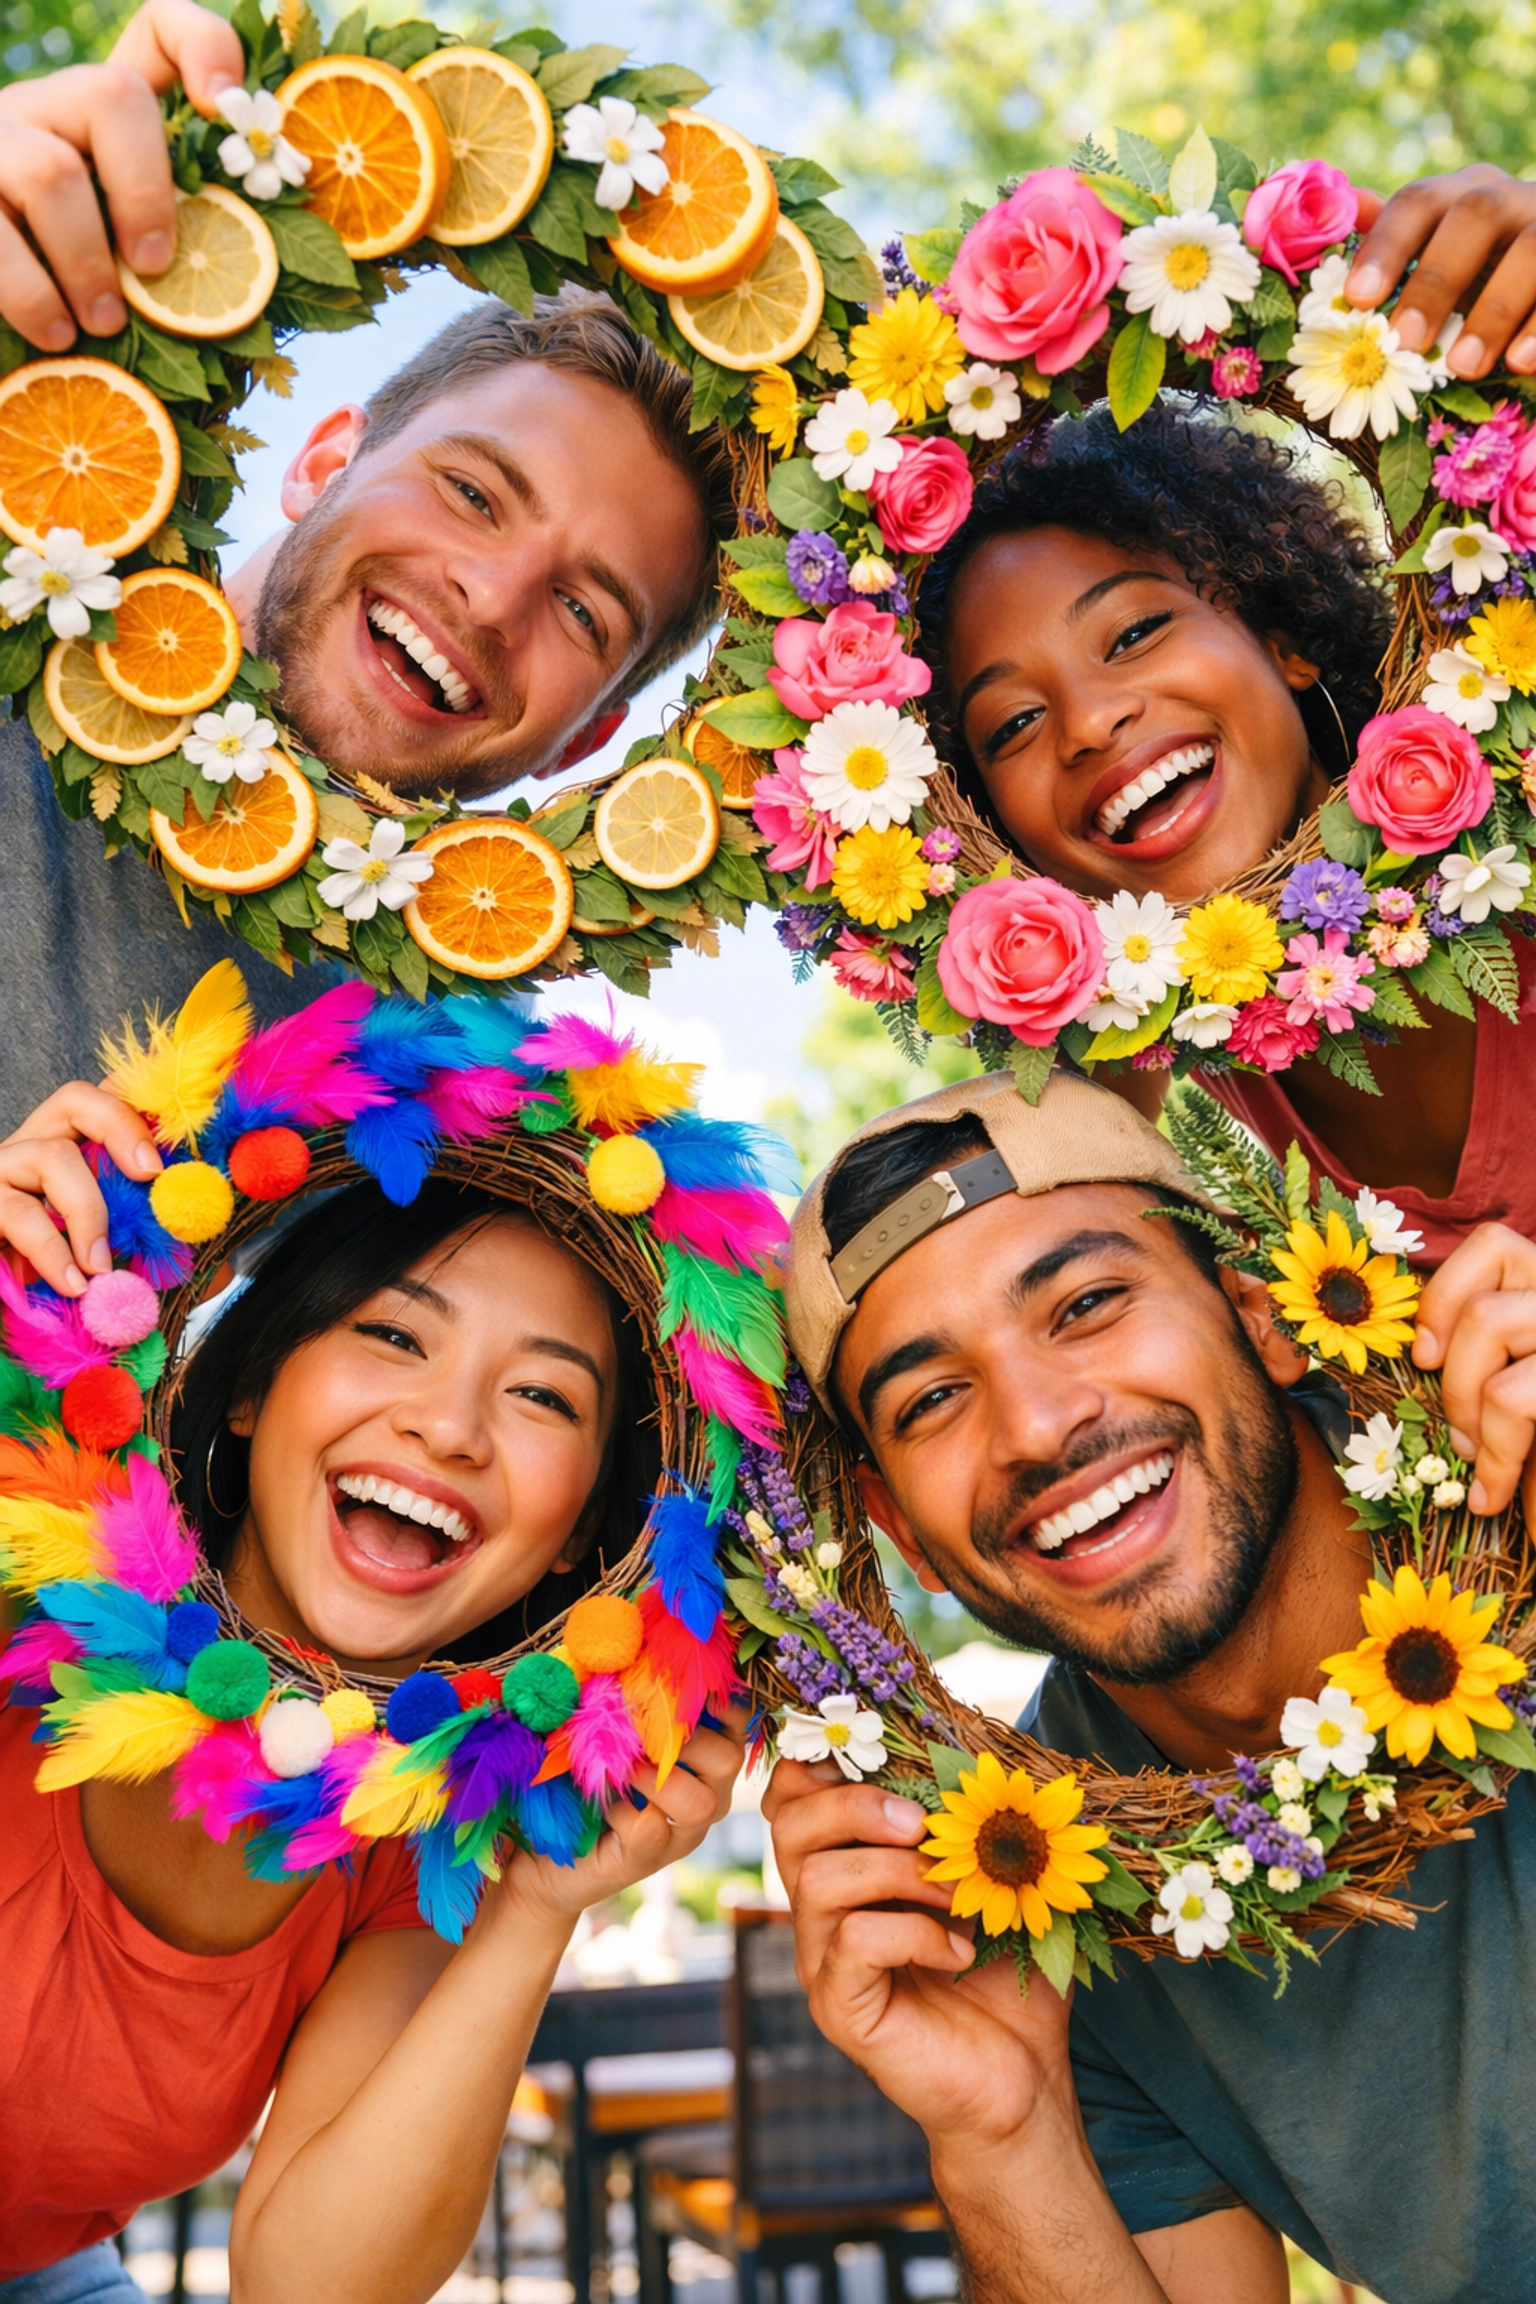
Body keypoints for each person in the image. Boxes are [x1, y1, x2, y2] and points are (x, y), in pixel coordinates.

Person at [0, 1025, 755, 2303]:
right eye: (396, 1337)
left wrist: (535, 1913)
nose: (449, 1427)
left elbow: (308, 2285)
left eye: (545, 1398)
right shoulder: (22, 1565)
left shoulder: (427, 1840)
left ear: (579, 1537)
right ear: (245, 1387)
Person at [766, 1069, 1536, 2304]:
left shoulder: (1519, 1468)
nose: (1033, 1424)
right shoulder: (1047, 1900)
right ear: (901, 1538)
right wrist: (1003, 2137)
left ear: (1260, 1311)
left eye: (1086, 1304)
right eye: (933, 1399)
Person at [0, 0, 735, 1124]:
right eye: (473, 494)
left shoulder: (457, 1135)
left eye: (584, 612)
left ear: (588, 740)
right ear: (322, 459)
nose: (492, 596)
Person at [916, 392, 1536, 1264]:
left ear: (1282, 636)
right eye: (1012, 725)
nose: (1089, 725)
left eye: (1132, 632)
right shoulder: (1147, 1031)